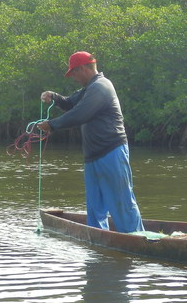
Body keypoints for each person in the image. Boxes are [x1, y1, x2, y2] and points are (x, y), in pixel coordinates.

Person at [38, 51, 144, 233]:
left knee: (122, 201)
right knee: (95, 207)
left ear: (84, 68)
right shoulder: (89, 88)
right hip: (92, 156)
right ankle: (99, 242)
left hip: (112, 151)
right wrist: (54, 97)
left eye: (74, 73)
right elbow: (69, 103)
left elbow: (80, 113)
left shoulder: (101, 87)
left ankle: (136, 238)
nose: (73, 78)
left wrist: (52, 125)